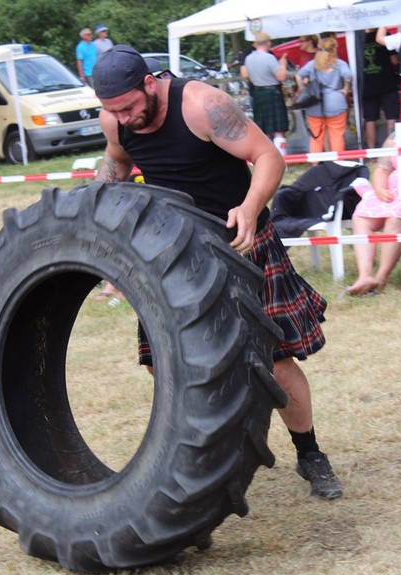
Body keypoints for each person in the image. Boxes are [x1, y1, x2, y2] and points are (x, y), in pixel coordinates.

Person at [91, 44, 343, 500]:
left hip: (240, 243)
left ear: (149, 83)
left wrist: (250, 207)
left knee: (275, 361)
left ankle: (310, 454)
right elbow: (118, 164)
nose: (124, 118)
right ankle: (218, 443)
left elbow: (268, 157)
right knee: (165, 363)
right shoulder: (116, 121)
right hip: (175, 254)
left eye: (128, 107)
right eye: (113, 111)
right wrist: (93, 219)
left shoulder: (202, 105)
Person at [345, 82, 401, 296]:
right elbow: (382, 169)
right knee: (361, 215)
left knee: (397, 216)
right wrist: (380, 187)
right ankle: (365, 275)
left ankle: (381, 279)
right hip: (394, 192)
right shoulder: (396, 136)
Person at [297, 37, 352, 154]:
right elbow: (348, 75)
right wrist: (345, 89)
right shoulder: (339, 64)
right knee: (337, 135)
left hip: (315, 104)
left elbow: (299, 74)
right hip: (336, 103)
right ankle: (338, 162)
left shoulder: (312, 64)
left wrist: (303, 87)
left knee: (316, 137)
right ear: (334, 49)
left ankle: (316, 162)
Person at [243, 32, 289, 155]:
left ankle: (267, 158)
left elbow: (249, 77)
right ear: (268, 43)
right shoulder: (269, 57)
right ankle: (282, 159)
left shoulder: (248, 58)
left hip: (258, 93)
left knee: (264, 130)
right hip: (272, 93)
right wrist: (283, 64)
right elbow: (281, 77)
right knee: (278, 129)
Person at [362, 29, 400, 150]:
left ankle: (371, 152)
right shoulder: (385, 36)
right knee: (391, 117)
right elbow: (394, 60)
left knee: (370, 119)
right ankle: (391, 149)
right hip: (386, 81)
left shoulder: (358, 38)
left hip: (367, 84)